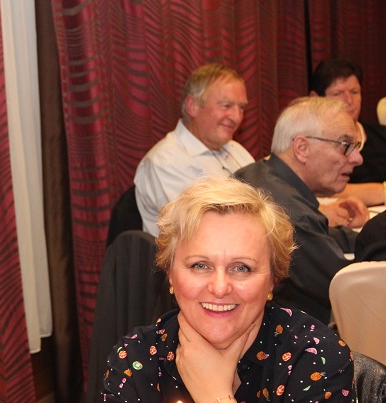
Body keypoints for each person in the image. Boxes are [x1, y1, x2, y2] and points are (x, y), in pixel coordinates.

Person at [93, 176, 355, 403]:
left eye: (241, 268)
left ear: (272, 280)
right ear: (170, 274)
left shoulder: (314, 355)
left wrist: (214, 394)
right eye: (199, 265)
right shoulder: (138, 356)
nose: (219, 287)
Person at [235, 96, 370, 324]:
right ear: (302, 148)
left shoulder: (257, 174)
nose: (358, 159)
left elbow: (320, 235)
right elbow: (353, 293)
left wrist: (368, 239)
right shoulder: (288, 214)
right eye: (346, 146)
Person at [134, 63, 254, 236]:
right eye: (226, 105)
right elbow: (198, 232)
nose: (236, 117)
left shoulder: (236, 150)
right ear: (193, 106)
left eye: (241, 107)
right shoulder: (164, 161)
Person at [310, 58, 386, 206]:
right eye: (338, 93)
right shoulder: (313, 145)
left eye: (354, 92)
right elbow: (314, 186)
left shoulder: (382, 134)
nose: (349, 100)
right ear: (315, 98)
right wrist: (380, 192)